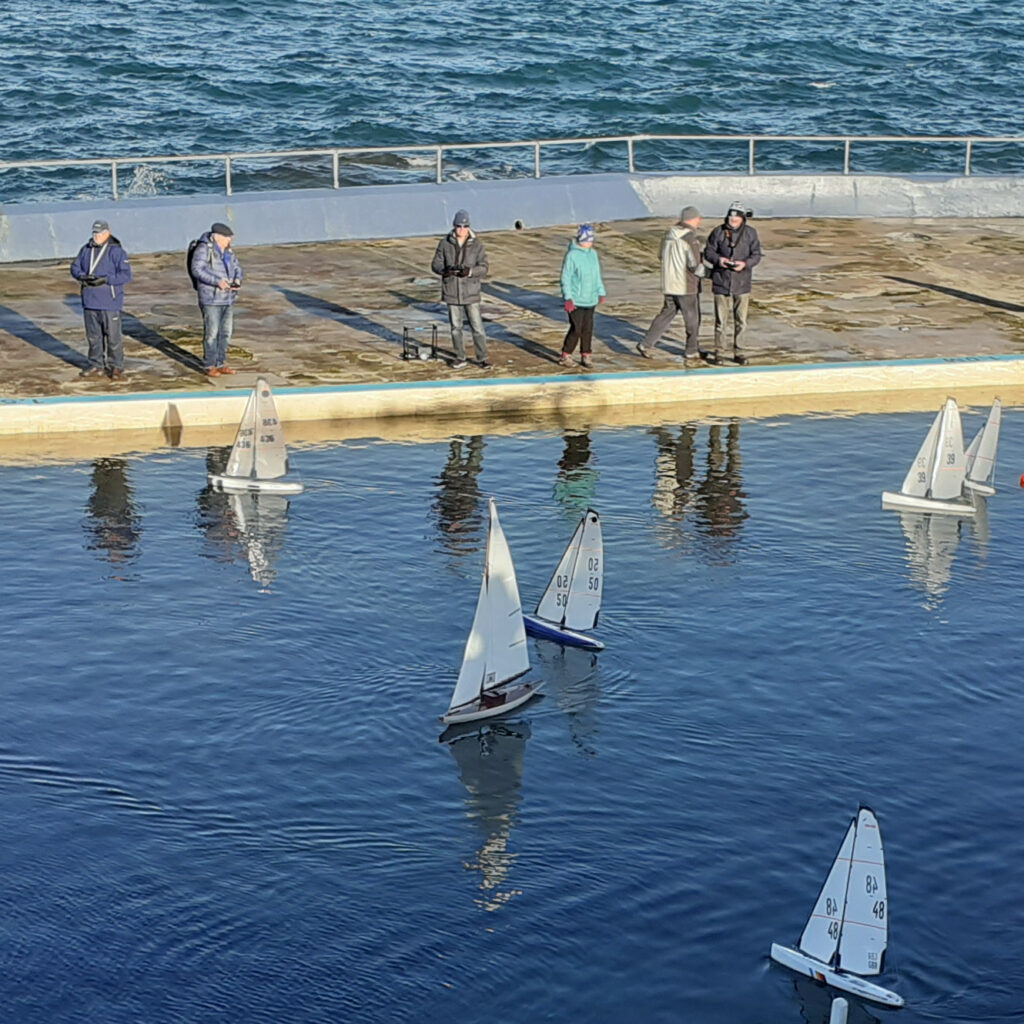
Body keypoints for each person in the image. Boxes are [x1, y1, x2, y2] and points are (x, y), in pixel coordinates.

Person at [637, 205, 706, 366]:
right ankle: (691, 350)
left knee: (666, 314)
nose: (699, 221)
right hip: (685, 285)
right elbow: (694, 265)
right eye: (698, 218)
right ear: (692, 219)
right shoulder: (689, 238)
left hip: (669, 283)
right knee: (692, 318)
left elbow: (661, 255)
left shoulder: (668, 235)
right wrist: (707, 272)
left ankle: (646, 343)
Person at [70, 219, 132, 379]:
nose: (97, 236)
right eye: (95, 233)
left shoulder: (116, 252)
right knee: (93, 337)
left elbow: (125, 275)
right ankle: (96, 364)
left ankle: (116, 367)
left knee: (113, 337)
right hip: (90, 300)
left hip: (109, 302)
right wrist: (81, 276)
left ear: (108, 233)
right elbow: (75, 267)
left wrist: (105, 279)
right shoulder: (86, 249)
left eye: (100, 233)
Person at [703, 201, 762, 365]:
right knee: (720, 322)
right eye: (730, 215)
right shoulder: (718, 232)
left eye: (736, 216)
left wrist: (745, 264)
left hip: (742, 284)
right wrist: (719, 260)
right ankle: (719, 352)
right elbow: (708, 251)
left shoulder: (751, 233)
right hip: (721, 282)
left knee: (741, 321)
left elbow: (756, 255)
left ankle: (739, 352)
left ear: (742, 218)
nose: (732, 219)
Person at [431, 210, 490, 370]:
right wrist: (445, 270)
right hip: (452, 292)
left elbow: (484, 267)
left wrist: (469, 272)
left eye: (465, 226)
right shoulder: (444, 244)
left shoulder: (477, 245)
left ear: (469, 227)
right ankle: (460, 356)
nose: (461, 229)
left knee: (477, 327)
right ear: (454, 226)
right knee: (456, 328)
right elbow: (435, 264)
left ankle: (482, 357)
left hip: (471, 292)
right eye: (458, 226)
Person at [191, 221, 243, 377]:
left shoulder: (229, 252)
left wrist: (238, 280)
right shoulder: (203, 250)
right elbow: (197, 270)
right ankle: (209, 364)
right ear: (218, 237)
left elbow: (238, 268)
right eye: (227, 238)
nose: (230, 241)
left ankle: (220, 362)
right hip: (211, 298)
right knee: (212, 332)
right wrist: (217, 282)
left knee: (226, 332)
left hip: (228, 298)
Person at [559, 224, 606, 369]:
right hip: (576, 300)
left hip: (590, 298)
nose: (590, 243)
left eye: (591, 241)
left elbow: (597, 275)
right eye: (588, 240)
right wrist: (568, 297)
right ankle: (566, 354)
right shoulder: (572, 255)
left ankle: (586, 354)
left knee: (588, 328)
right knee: (576, 328)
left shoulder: (593, 254)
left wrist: (600, 291)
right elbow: (565, 278)